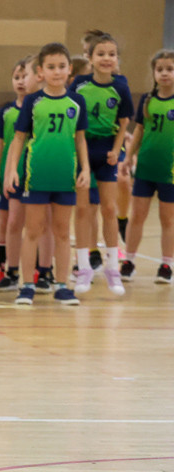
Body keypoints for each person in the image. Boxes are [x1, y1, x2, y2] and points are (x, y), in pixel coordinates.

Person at [4, 42, 90, 306]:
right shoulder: (33, 101)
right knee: (33, 230)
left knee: (63, 232)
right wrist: (11, 171)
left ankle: (63, 285)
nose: (57, 72)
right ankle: (27, 285)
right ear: (40, 71)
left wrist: (85, 168)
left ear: (69, 70)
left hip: (65, 177)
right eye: (51, 67)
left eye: (61, 66)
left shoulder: (77, 101)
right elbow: (19, 139)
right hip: (36, 175)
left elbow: (80, 139)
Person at [70, 32, 133, 296]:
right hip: (83, 148)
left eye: (111, 54)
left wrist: (117, 150)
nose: (106, 58)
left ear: (117, 58)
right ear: (90, 57)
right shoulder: (80, 84)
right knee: (83, 210)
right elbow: (75, 124)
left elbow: (124, 122)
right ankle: (84, 267)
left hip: (107, 151)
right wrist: (81, 161)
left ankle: (112, 269)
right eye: (101, 54)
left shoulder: (120, 86)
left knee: (108, 208)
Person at [120, 49, 174, 284]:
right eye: (160, 69)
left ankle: (166, 265)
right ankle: (129, 261)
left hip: (170, 170)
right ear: (153, 72)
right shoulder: (147, 100)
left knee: (168, 219)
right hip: (145, 168)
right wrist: (128, 157)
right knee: (137, 216)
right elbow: (139, 130)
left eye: (170, 69)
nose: (164, 73)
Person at [0, 57, 33, 290]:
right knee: (5, 221)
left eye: (25, 76)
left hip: (33, 176)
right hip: (8, 177)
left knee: (33, 222)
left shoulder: (38, 108)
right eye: (17, 77)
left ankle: (36, 269)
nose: (21, 81)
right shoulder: (5, 111)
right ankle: (0, 266)